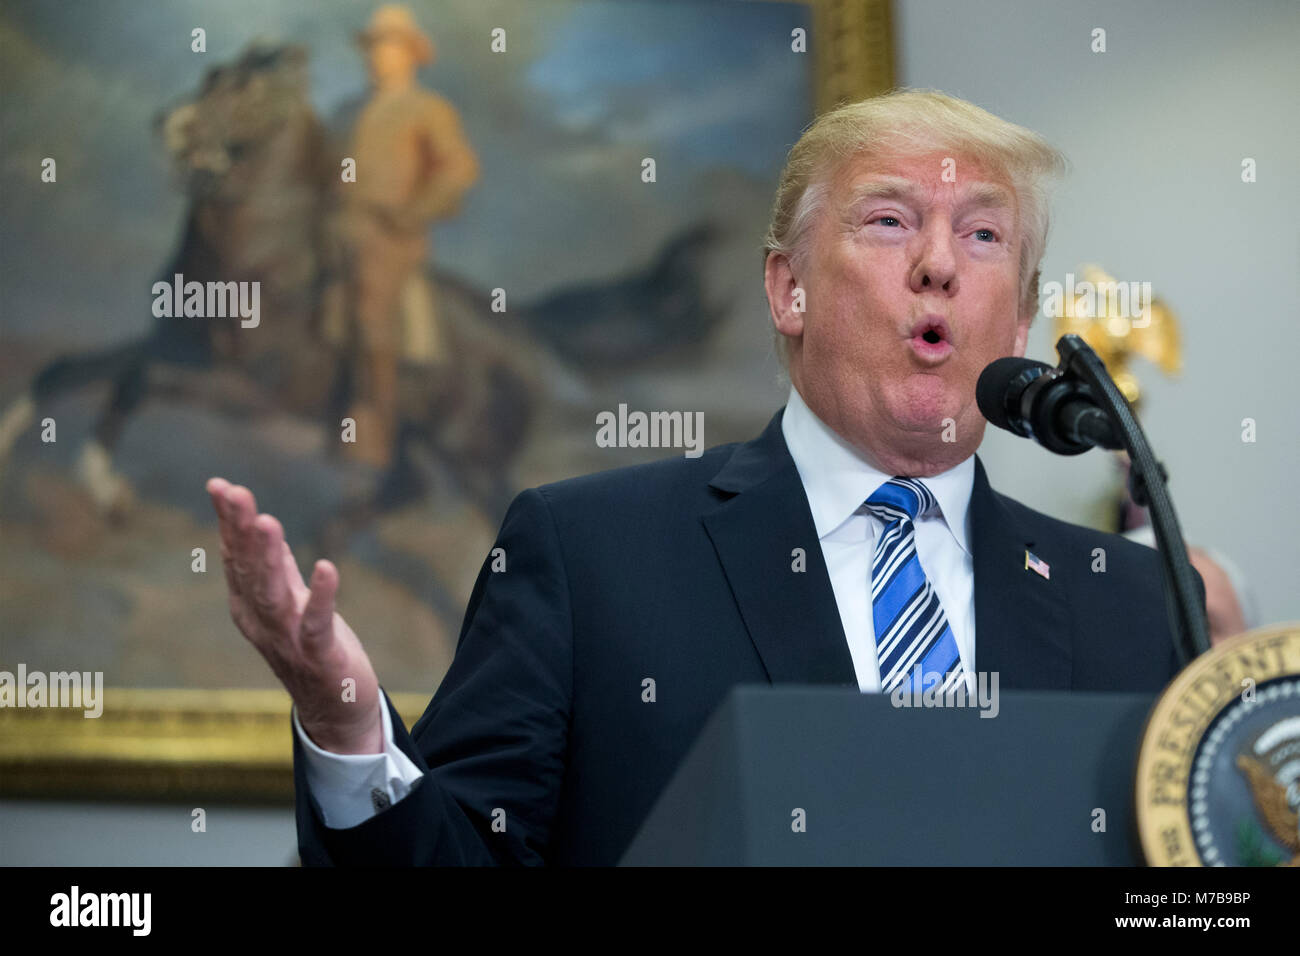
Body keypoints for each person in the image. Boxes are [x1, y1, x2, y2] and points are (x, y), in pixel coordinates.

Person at [206, 89, 1202, 865]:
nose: (940, 263)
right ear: (788, 288)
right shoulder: (589, 555)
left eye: (983, 235)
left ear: (1019, 320)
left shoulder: (1129, 600)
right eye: (891, 222)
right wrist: (346, 725)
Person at [336, 4, 479, 469]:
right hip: (337, 227)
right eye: (375, 47)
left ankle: (374, 436)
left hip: (389, 238)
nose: (380, 56)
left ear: (411, 54)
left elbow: (458, 168)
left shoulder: (428, 109)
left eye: (391, 46)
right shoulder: (349, 111)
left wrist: (411, 211)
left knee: (371, 307)